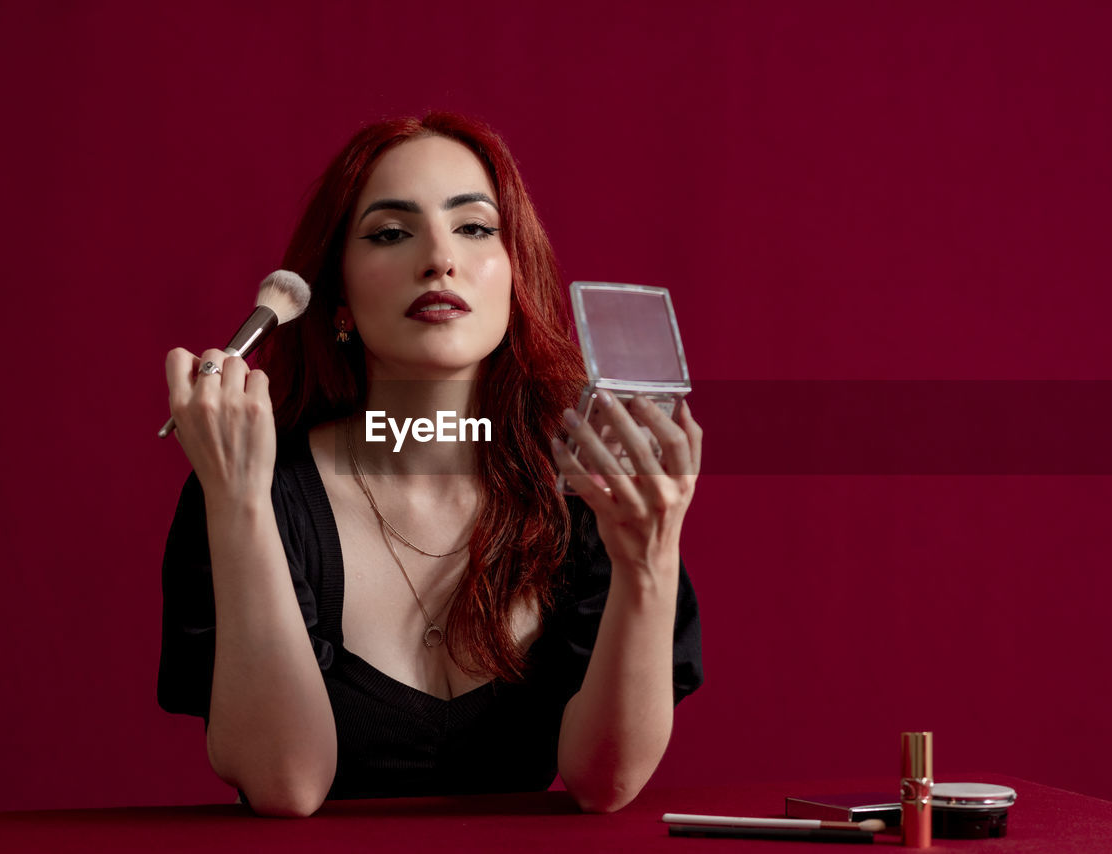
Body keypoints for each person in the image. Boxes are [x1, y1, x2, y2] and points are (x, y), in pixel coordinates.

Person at [157, 112, 704, 817]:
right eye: (391, 232)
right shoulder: (254, 487)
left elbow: (605, 783)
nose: (439, 258)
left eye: (475, 227)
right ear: (339, 299)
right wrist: (237, 503)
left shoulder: (587, 496)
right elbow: (286, 783)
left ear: (515, 273)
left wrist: (650, 560)